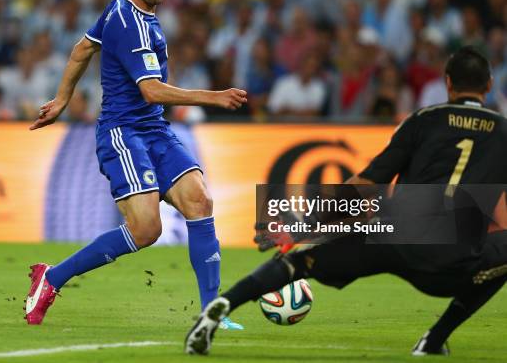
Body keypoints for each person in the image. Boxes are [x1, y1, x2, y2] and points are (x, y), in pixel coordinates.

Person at [185, 46, 507, 355]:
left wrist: (307, 226)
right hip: (455, 259)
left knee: (301, 261)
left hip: (396, 238)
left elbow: (365, 185)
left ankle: (222, 305)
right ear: (489, 85)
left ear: (448, 83)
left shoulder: (424, 119)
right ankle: (433, 340)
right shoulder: (503, 131)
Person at [24, 0, 247, 330]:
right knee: (146, 230)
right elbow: (152, 89)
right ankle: (52, 277)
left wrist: (62, 99)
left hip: (153, 130)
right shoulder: (128, 22)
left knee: (199, 200)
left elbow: (80, 50)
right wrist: (213, 96)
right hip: (124, 134)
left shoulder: (128, 12)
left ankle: (212, 312)